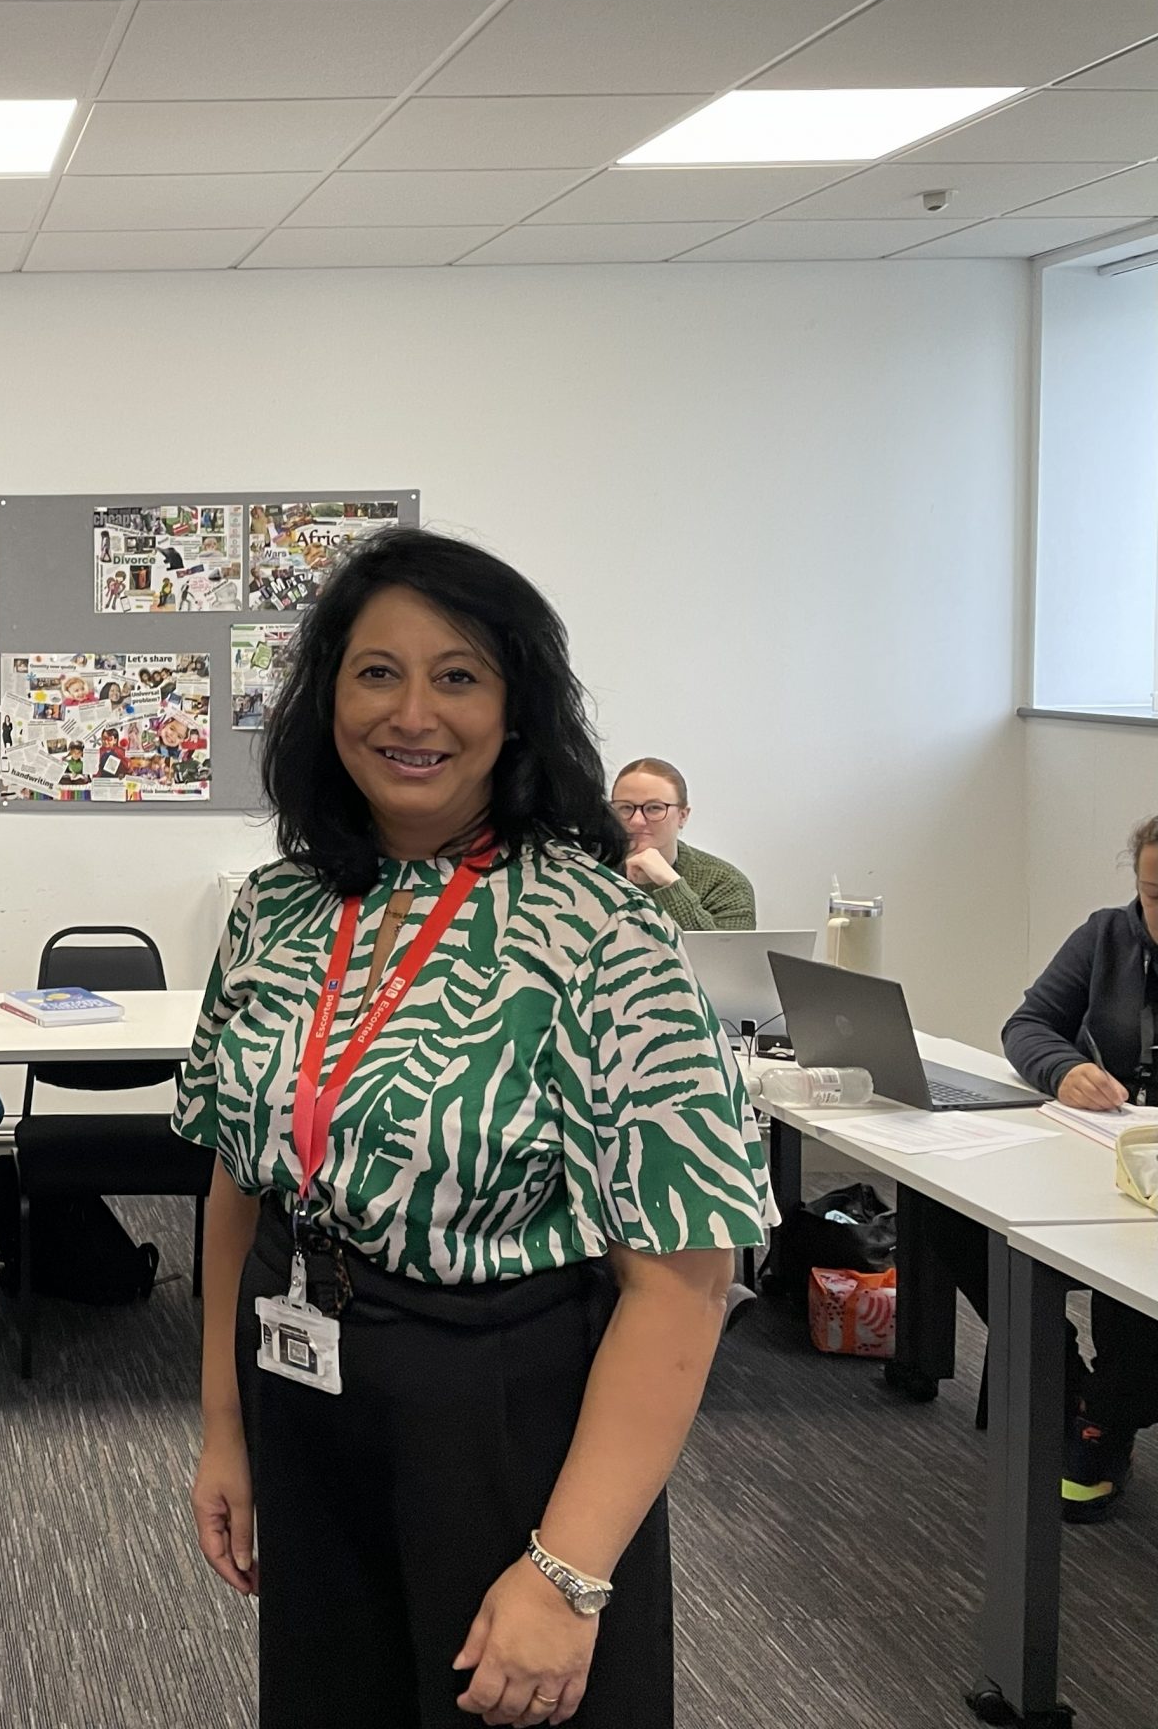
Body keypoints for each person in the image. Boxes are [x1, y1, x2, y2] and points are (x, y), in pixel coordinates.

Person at [180, 530, 768, 1728]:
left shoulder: (601, 929)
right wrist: (225, 1430)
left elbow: (685, 1282)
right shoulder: (275, 907)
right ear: (326, 696)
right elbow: (238, 1184)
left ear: (515, 709)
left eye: (457, 676)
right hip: (309, 1383)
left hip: (502, 1413)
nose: (412, 712)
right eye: (375, 672)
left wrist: (568, 1572)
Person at [950, 814, 1158, 1521]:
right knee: (956, 1218)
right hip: (1096, 1157)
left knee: (1134, 1277)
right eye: (1154, 895)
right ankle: (1065, 1384)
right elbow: (1028, 1025)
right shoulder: (1109, 935)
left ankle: (1104, 1420)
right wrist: (1064, 1068)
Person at [610, 758, 755, 931]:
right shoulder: (592, 870)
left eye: (654, 808)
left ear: (683, 816)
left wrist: (670, 884)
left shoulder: (726, 883)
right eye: (625, 807)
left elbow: (721, 954)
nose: (637, 820)